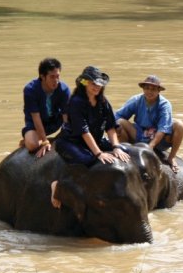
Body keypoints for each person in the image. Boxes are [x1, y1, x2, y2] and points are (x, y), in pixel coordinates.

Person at [52, 66, 130, 208]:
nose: (97, 87)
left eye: (99, 84)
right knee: (88, 159)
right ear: (85, 83)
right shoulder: (76, 102)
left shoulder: (103, 102)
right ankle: (59, 186)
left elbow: (111, 127)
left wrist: (116, 147)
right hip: (73, 142)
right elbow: (84, 131)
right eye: (94, 83)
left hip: (95, 140)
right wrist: (99, 153)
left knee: (127, 150)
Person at [115, 75, 183, 173]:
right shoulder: (136, 100)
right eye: (147, 88)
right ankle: (125, 152)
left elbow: (163, 128)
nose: (149, 92)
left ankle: (171, 157)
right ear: (143, 89)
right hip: (140, 134)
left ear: (158, 91)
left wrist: (150, 147)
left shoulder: (164, 104)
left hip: (159, 139)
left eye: (153, 89)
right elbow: (117, 116)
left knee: (179, 125)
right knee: (119, 123)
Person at [21, 57, 71, 159]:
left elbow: (66, 115)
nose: (56, 80)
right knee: (32, 145)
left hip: (55, 122)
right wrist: (44, 141)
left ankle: (41, 138)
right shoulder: (30, 90)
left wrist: (68, 133)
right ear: (42, 76)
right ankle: (29, 139)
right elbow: (36, 117)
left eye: (58, 76)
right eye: (52, 77)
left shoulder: (64, 89)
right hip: (35, 124)